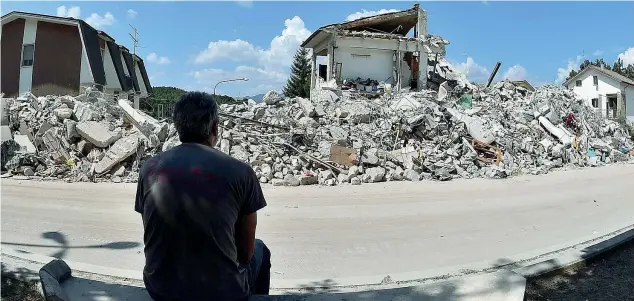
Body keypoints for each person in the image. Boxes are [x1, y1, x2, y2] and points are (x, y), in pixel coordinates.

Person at [134, 92, 271, 301]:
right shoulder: (241, 172)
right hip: (222, 294)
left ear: (177, 127)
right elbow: (245, 254)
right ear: (215, 128)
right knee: (262, 250)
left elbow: (154, 233)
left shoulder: (149, 169)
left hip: (160, 289)